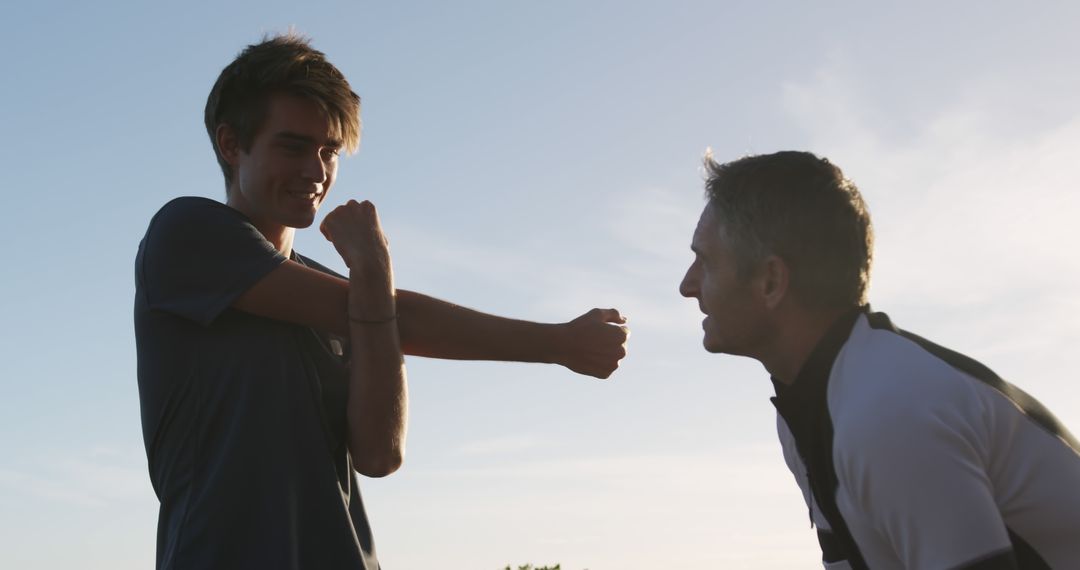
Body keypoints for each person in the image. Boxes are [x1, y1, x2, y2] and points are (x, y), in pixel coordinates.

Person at [134, 34, 629, 570]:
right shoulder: (186, 233)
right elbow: (399, 316)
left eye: (329, 151)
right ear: (231, 144)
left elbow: (379, 454)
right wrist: (559, 342)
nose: (316, 170)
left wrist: (372, 281)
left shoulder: (353, 300)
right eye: (293, 146)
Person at [678, 150, 1080, 569]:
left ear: (771, 281)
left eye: (704, 262)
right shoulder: (817, 406)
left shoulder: (889, 410)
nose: (687, 286)